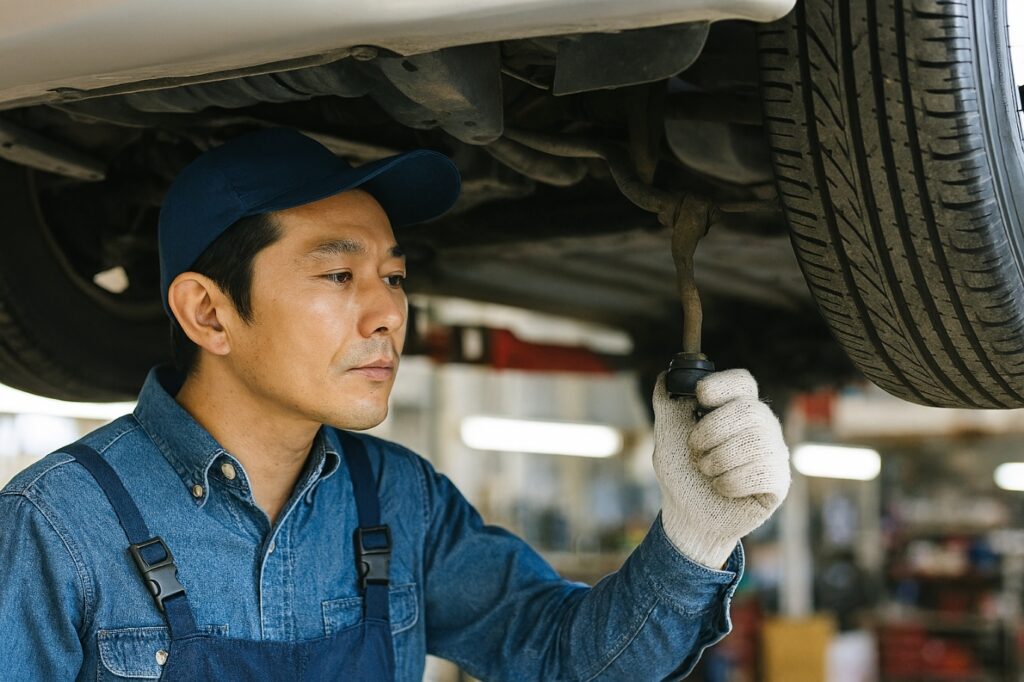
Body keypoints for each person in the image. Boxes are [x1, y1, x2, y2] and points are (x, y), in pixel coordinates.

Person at [0, 127, 791, 680]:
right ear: (209, 313)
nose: (387, 313)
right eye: (339, 276)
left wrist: (696, 536)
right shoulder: (60, 523)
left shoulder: (398, 501)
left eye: (396, 276)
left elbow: (567, 658)